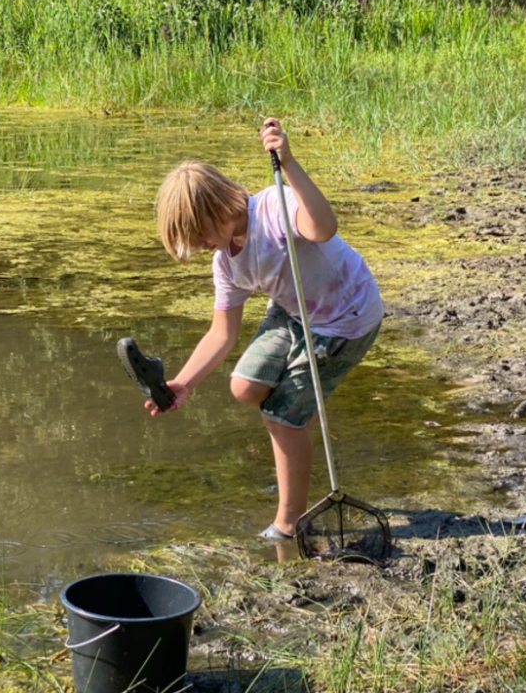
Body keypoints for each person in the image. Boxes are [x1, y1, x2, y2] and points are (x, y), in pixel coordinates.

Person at [146, 117, 383, 541]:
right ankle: (298, 422)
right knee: (244, 388)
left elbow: (323, 228)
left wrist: (289, 162)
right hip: (294, 312)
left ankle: (289, 524)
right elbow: (222, 334)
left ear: (217, 209)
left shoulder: (276, 205)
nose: (200, 248)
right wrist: (183, 383)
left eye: (199, 236)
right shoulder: (226, 262)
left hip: (345, 317)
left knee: (281, 418)